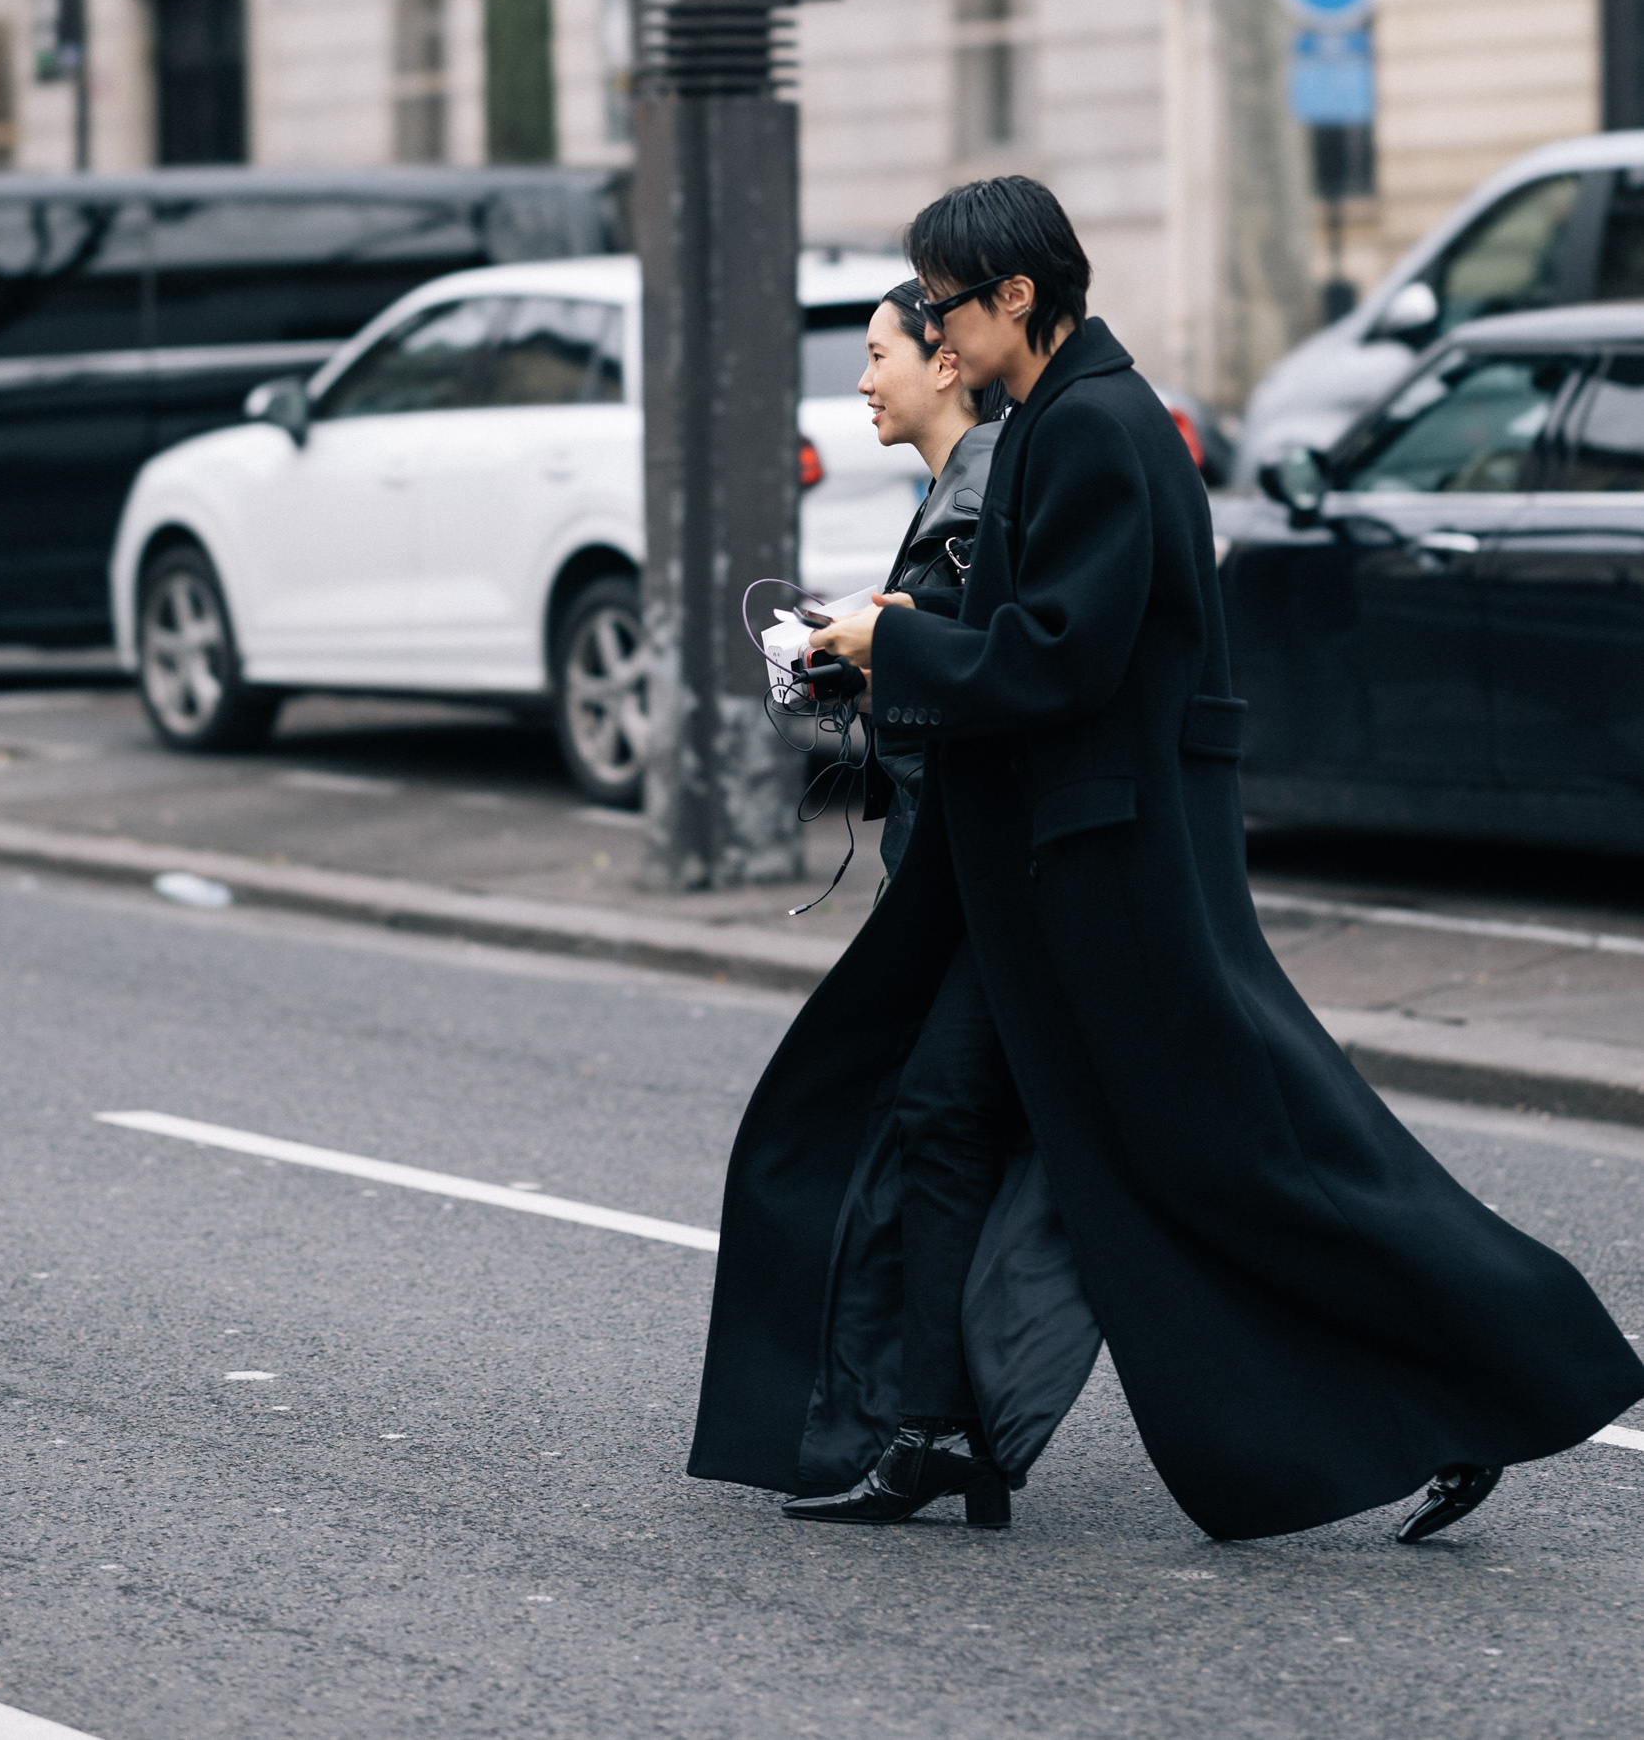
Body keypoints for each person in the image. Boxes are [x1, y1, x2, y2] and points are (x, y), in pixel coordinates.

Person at [688, 174, 1644, 1544]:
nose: (935, 340)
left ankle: (1502, 1369)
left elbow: (1058, 663)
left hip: (1113, 882)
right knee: (945, 1115)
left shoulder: (1094, 427)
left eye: (946, 310)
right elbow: (1044, 639)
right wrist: (904, 631)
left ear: (1018, 296)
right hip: (1047, 873)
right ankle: (930, 1430)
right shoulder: (1055, 420)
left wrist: (890, 641)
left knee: (1255, 1163)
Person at [856, 281, 1005, 885]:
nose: (865, 382)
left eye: (877, 356)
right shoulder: (965, 489)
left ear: (945, 364)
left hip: (952, 859)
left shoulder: (975, 511)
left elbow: (983, 689)